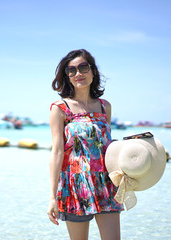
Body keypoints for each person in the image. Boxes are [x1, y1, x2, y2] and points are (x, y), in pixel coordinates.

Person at [47, 49, 124, 240]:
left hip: (106, 183)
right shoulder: (60, 109)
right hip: (75, 185)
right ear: (67, 77)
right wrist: (52, 197)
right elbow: (56, 152)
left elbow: (107, 146)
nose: (78, 73)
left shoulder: (105, 106)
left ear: (93, 71)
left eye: (83, 67)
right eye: (71, 70)